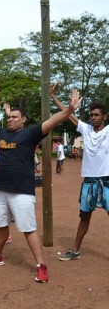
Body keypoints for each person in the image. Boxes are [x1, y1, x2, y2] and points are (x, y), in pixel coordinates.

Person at [0, 91, 81, 283]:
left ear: (23, 119)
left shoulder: (30, 133)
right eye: (8, 117)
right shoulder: (1, 133)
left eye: (14, 117)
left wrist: (69, 110)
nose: (10, 120)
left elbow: (52, 121)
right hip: (1, 190)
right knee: (0, 225)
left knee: (28, 229)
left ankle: (41, 265)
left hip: (22, 191)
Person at [49, 85, 109, 261]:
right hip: (89, 181)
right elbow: (68, 114)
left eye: (96, 115)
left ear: (105, 116)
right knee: (84, 216)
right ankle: (75, 250)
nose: (92, 118)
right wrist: (53, 96)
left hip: (106, 181)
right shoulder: (86, 129)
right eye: (91, 115)